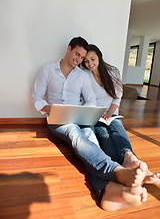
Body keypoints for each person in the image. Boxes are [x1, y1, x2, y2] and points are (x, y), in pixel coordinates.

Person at [32, 37, 148, 212]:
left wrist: (83, 113)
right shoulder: (47, 71)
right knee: (75, 134)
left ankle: (107, 191)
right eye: (77, 54)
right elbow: (36, 96)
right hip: (58, 120)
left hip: (80, 118)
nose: (78, 60)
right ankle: (115, 170)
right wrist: (49, 108)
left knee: (91, 140)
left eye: (82, 58)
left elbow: (91, 100)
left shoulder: (83, 75)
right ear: (68, 49)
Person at [82, 44, 160, 192]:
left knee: (117, 131)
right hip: (95, 116)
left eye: (92, 59)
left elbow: (117, 97)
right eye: (86, 61)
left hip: (112, 113)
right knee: (104, 137)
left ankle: (130, 158)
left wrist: (110, 113)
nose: (89, 63)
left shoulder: (112, 72)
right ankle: (131, 169)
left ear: (99, 56)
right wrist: (98, 114)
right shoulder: (84, 75)